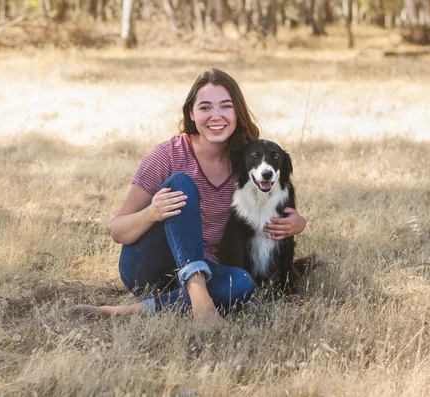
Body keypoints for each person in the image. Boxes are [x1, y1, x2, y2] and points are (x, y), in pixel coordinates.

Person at [73, 69, 307, 327]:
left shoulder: (248, 160)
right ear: (191, 113)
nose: (216, 116)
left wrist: (298, 223)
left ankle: (126, 311)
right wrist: (152, 213)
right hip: (150, 266)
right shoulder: (167, 155)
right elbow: (119, 231)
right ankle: (199, 297)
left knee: (242, 283)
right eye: (205, 107)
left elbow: (277, 195)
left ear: (236, 113)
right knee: (182, 183)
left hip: (211, 269)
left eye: (225, 107)